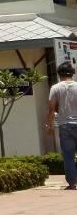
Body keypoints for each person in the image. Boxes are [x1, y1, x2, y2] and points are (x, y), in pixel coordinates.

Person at [48, 61, 77, 190]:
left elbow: (51, 108)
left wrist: (50, 125)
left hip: (65, 125)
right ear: (73, 73)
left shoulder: (55, 88)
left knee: (68, 155)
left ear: (59, 74)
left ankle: (72, 183)